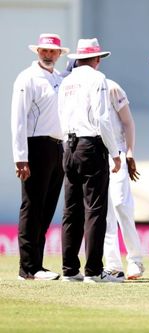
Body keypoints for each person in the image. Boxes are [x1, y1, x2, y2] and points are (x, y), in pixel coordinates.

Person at [58, 38, 122, 283]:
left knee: (71, 208)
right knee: (95, 208)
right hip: (90, 144)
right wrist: (115, 152)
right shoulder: (98, 79)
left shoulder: (67, 81)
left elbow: (61, 114)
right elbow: (103, 118)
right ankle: (94, 271)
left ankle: (69, 269)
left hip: (69, 144)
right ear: (96, 59)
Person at [11, 33, 69, 281]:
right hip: (36, 146)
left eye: (52, 51)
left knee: (46, 209)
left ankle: (38, 264)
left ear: (58, 54)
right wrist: (20, 156)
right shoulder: (28, 77)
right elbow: (18, 118)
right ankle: (28, 268)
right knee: (32, 206)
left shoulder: (58, 78)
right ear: (38, 52)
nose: (48, 55)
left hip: (58, 147)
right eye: (44, 51)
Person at [103, 78, 145, 280]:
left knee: (121, 204)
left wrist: (129, 152)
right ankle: (112, 264)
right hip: (93, 155)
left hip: (117, 153)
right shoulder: (75, 86)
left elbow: (128, 121)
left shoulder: (112, 87)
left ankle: (135, 260)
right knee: (103, 211)